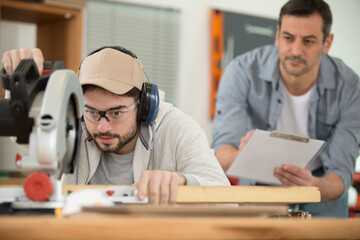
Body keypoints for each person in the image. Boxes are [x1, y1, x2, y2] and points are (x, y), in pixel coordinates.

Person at [2, 46, 230, 205]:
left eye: (116, 112)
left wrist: (182, 180)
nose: (102, 127)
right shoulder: (74, 122)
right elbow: (22, 127)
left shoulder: (177, 128)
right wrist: (18, 80)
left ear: (144, 106)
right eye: (92, 111)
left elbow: (226, 199)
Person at [211, 0, 360, 217]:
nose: (296, 51)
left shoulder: (350, 87)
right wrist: (243, 157)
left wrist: (311, 185)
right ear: (277, 35)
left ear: (327, 43)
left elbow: (340, 176)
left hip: (320, 183)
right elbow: (220, 154)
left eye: (308, 41)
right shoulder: (241, 72)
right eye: (288, 38)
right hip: (259, 176)